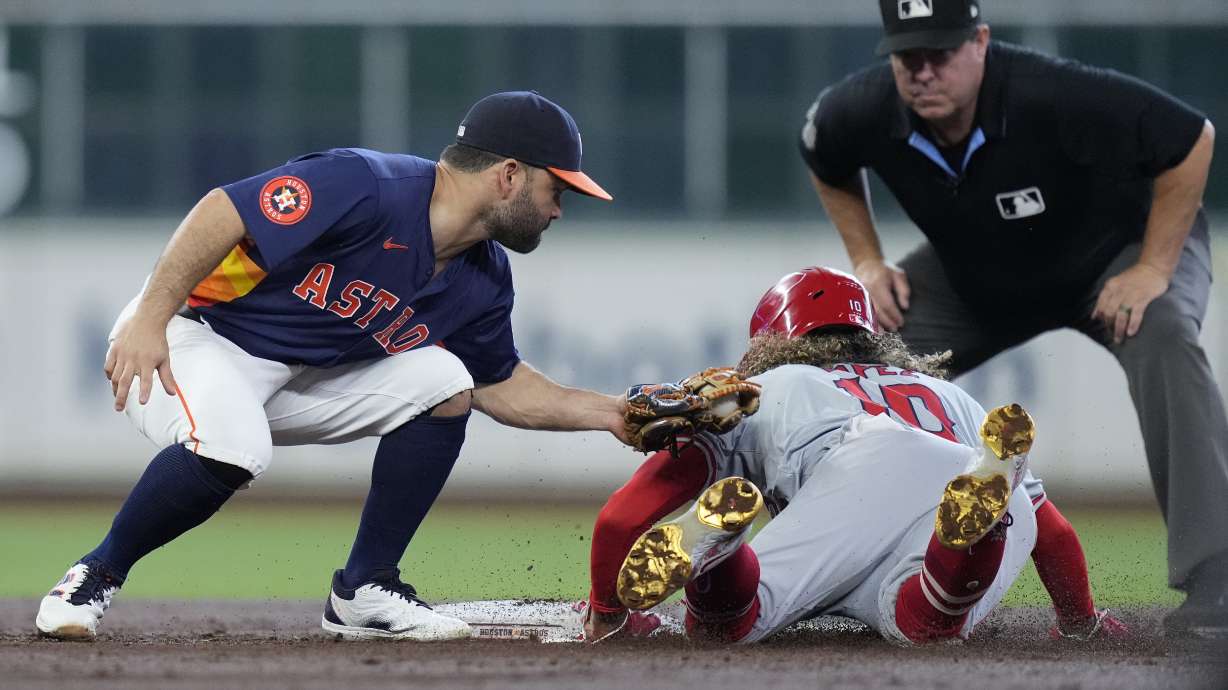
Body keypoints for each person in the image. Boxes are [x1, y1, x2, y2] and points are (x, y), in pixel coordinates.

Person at [36, 91, 630, 642]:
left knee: (449, 381)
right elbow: (222, 211)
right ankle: (94, 575)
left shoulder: (483, 277)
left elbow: (503, 386)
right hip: (192, 339)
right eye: (557, 190)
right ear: (508, 175)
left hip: (297, 377)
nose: (558, 210)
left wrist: (615, 414)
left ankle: (365, 588)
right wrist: (148, 321)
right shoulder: (367, 184)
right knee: (234, 448)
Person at [798, 0, 1226, 637]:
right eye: (906, 57)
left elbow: (1192, 139)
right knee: (854, 365)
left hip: (1117, 260)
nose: (922, 72)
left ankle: (1215, 581)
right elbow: (823, 157)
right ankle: (804, 574)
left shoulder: (1051, 93)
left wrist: (1155, 269)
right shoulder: (859, 110)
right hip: (978, 277)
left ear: (982, 43)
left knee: (1164, 334)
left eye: (939, 53)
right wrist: (867, 261)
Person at [582, 267, 1126, 645]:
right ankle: (968, 535)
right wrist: (1081, 623)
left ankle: (722, 553)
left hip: (860, 465)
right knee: (923, 621)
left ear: (770, 339)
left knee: (730, 623)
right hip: (969, 474)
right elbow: (1053, 535)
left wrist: (607, 614)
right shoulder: (947, 392)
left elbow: (622, 517)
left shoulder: (773, 384)